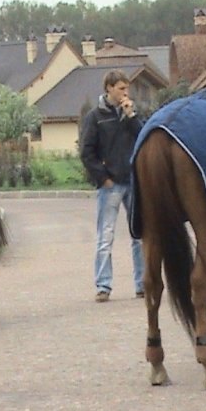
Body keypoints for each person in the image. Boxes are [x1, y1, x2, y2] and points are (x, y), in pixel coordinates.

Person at [80, 69, 144, 302]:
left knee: (139, 235)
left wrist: (132, 117)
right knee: (105, 236)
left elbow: (143, 137)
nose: (125, 93)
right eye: (121, 88)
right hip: (110, 185)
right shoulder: (96, 117)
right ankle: (103, 285)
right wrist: (103, 178)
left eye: (127, 88)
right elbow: (87, 152)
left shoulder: (131, 115)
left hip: (133, 182)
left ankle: (142, 283)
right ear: (109, 88)